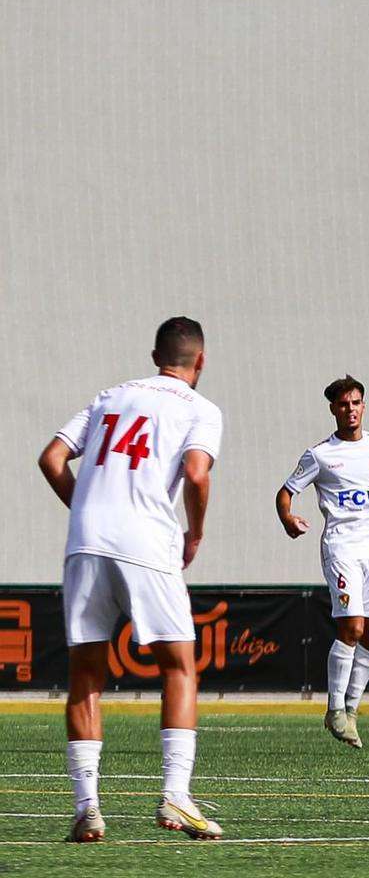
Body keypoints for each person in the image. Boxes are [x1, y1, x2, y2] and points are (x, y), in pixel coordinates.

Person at [36, 316, 225, 842]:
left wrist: (86, 512)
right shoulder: (200, 409)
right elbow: (195, 473)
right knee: (179, 666)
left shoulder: (109, 396)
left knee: (85, 675)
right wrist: (196, 532)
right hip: (146, 541)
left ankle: (87, 808)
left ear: (155, 355)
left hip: (86, 543)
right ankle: (175, 796)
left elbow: (52, 458)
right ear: (200, 361)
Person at [277, 376, 369, 749]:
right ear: (333, 409)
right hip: (341, 549)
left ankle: (351, 710)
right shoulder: (320, 455)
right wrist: (288, 518)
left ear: (364, 406)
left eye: (356, 403)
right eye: (344, 404)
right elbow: (286, 492)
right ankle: (334, 708)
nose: (351, 409)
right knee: (352, 627)